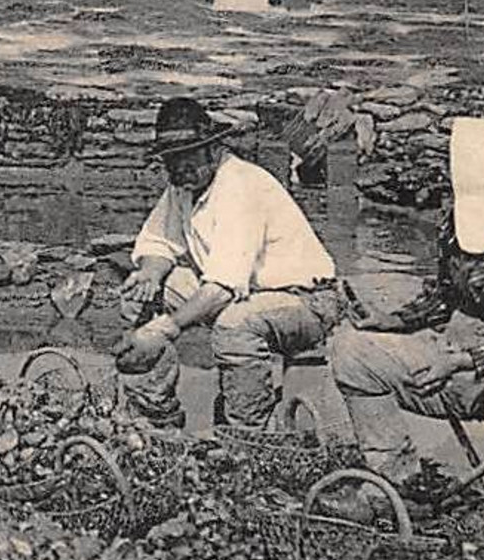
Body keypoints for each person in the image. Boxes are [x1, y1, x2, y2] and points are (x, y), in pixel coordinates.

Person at [330, 116, 484, 507]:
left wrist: (462, 360)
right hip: (464, 363)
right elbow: (445, 295)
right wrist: (396, 320)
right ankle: (394, 484)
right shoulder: (458, 224)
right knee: (352, 350)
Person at [114, 96, 342, 429]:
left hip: (306, 301)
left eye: (187, 157)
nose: (178, 168)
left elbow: (221, 288)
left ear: (213, 149)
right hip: (248, 293)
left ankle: (247, 432)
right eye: (171, 160)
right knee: (143, 294)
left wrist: (166, 328)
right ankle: (157, 416)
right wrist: (150, 272)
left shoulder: (239, 186)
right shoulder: (184, 185)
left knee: (235, 324)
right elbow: (158, 241)